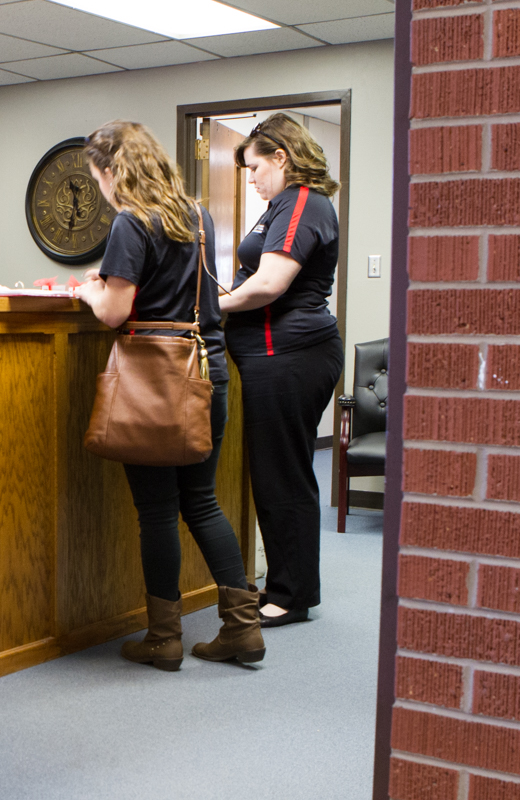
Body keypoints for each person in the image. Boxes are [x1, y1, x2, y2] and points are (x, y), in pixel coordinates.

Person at [75, 121, 263, 670]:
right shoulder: (196, 216)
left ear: (112, 171)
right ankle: (242, 629)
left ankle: (164, 638)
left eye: (98, 179)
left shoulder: (131, 221)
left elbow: (113, 310)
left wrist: (91, 290)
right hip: (207, 370)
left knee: (157, 511)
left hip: (153, 379)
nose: (103, 190)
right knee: (201, 501)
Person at [222, 113, 344, 628]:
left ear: (281, 158)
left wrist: (210, 305)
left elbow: (270, 284)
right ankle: (286, 586)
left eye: (255, 168)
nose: (250, 179)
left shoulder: (302, 202)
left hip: (290, 355)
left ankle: (291, 596)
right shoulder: (278, 207)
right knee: (277, 474)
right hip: (273, 355)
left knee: (284, 477)